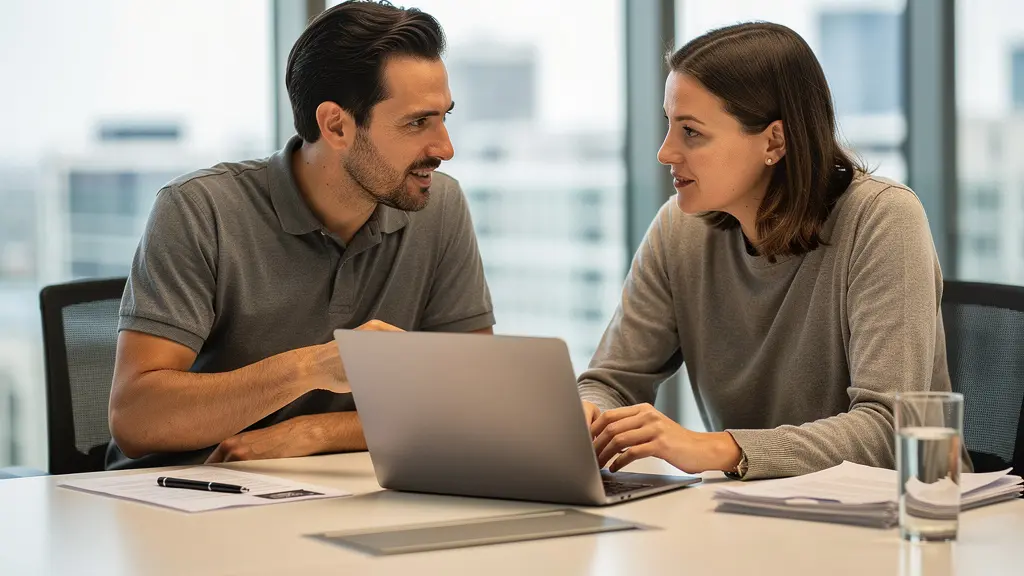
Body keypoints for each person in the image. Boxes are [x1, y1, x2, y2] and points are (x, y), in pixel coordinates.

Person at [107, 0, 494, 469]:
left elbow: (476, 398)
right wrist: (314, 367)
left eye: (443, 117)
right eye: (417, 123)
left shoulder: (439, 206)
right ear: (336, 125)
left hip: (338, 486)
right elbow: (135, 419)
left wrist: (315, 432)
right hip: (184, 493)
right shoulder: (199, 208)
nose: (445, 148)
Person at [578, 22, 957, 480]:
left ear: (774, 141)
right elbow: (611, 381)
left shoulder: (882, 219)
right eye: (669, 126)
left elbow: (889, 431)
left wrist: (719, 447)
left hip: (900, 522)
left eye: (692, 132)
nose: (665, 152)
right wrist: (589, 414)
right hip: (752, 514)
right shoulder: (679, 230)